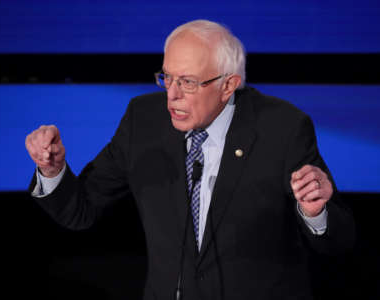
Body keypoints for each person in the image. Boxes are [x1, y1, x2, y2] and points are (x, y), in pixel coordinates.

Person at [25, 20, 355, 300]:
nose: (172, 95)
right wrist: (52, 171)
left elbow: (338, 241)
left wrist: (315, 213)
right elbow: (82, 209)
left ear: (229, 86)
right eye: (166, 77)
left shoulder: (283, 127)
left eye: (188, 82)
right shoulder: (143, 120)